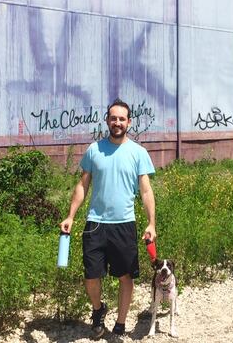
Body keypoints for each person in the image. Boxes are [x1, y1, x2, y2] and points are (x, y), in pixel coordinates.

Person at [60, 98, 157, 338]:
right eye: (113, 118)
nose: (117, 122)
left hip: (124, 224)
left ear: (129, 122)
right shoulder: (94, 150)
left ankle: (121, 323)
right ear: (107, 120)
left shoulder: (138, 153)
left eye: (122, 118)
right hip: (96, 224)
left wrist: (151, 223)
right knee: (91, 276)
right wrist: (71, 215)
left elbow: (146, 191)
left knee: (125, 276)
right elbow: (82, 185)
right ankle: (98, 309)